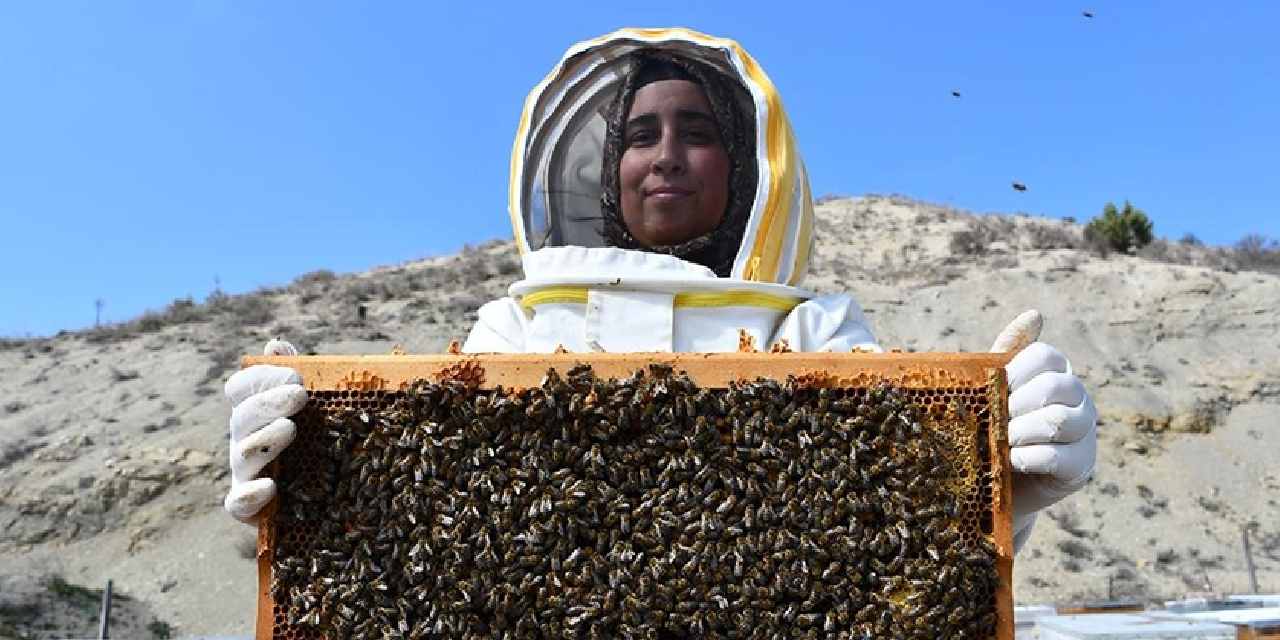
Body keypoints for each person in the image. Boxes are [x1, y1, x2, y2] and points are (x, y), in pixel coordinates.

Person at [223, 28, 1097, 553]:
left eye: (697, 132)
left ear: (748, 165)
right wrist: (304, 486)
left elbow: (913, 551)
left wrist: (1007, 488)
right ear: (608, 172)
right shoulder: (515, 332)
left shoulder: (816, 331)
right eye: (641, 135)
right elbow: (422, 543)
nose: (667, 155)